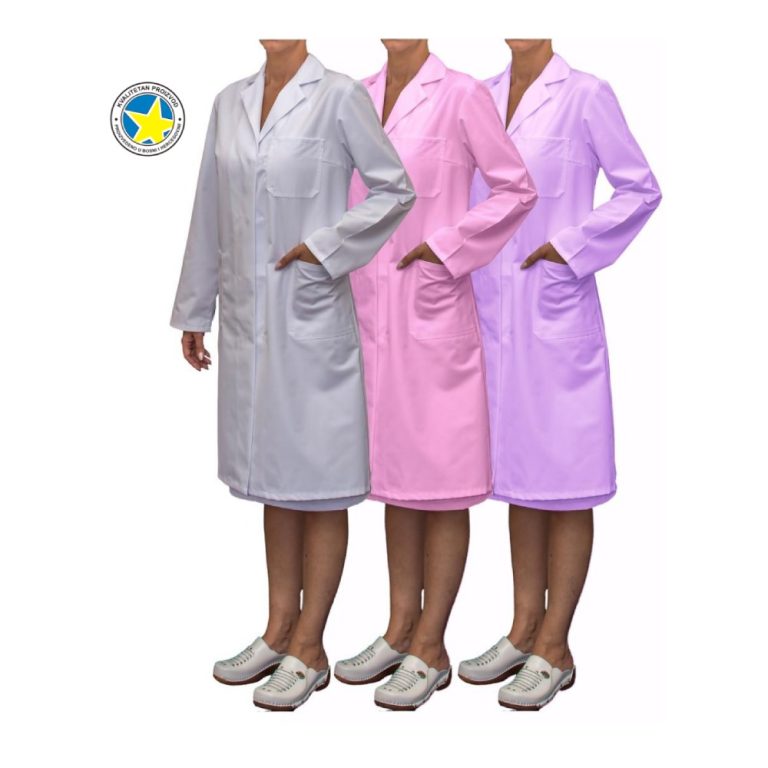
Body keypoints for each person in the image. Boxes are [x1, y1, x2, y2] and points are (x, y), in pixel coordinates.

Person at [169, 39, 415, 711]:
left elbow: (395, 189)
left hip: (310, 316)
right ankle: (279, 629)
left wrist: (325, 247)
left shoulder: (339, 95)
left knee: (320, 485)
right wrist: (195, 308)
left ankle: (311, 646)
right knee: (277, 484)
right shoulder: (229, 102)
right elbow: (208, 210)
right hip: (248, 319)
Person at [333, 39, 537, 711]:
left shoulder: (461, 94)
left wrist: (446, 247)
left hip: (434, 307)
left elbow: (516, 187)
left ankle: (431, 646)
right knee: (397, 480)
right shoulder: (357, 95)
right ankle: (399, 628)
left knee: (443, 484)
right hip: (371, 312)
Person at [460, 39, 662, 710]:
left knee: (568, 481)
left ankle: (556, 645)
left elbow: (640, 187)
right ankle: (523, 628)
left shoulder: (586, 95)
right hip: (491, 309)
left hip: (554, 307)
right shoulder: (481, 95)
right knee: (522, 477)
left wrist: (570, 246)